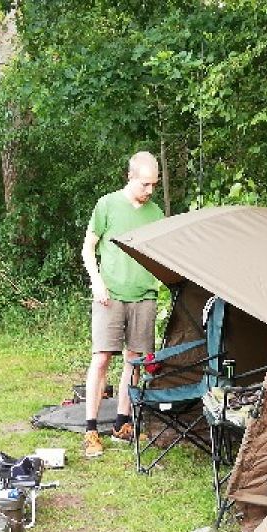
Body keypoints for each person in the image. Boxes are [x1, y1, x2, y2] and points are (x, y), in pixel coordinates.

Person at [81, 151, 164, 458]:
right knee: (102, 358)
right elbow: (88, 249)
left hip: (144, 296)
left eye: (154, 184)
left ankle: (121, 423)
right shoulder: (107, 205)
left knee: (134, 360)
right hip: (110, 294)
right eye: (145, 184)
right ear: (130, 178)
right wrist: (97, 281)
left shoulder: (156, 214)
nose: (150, 191)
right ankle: (91, 430)